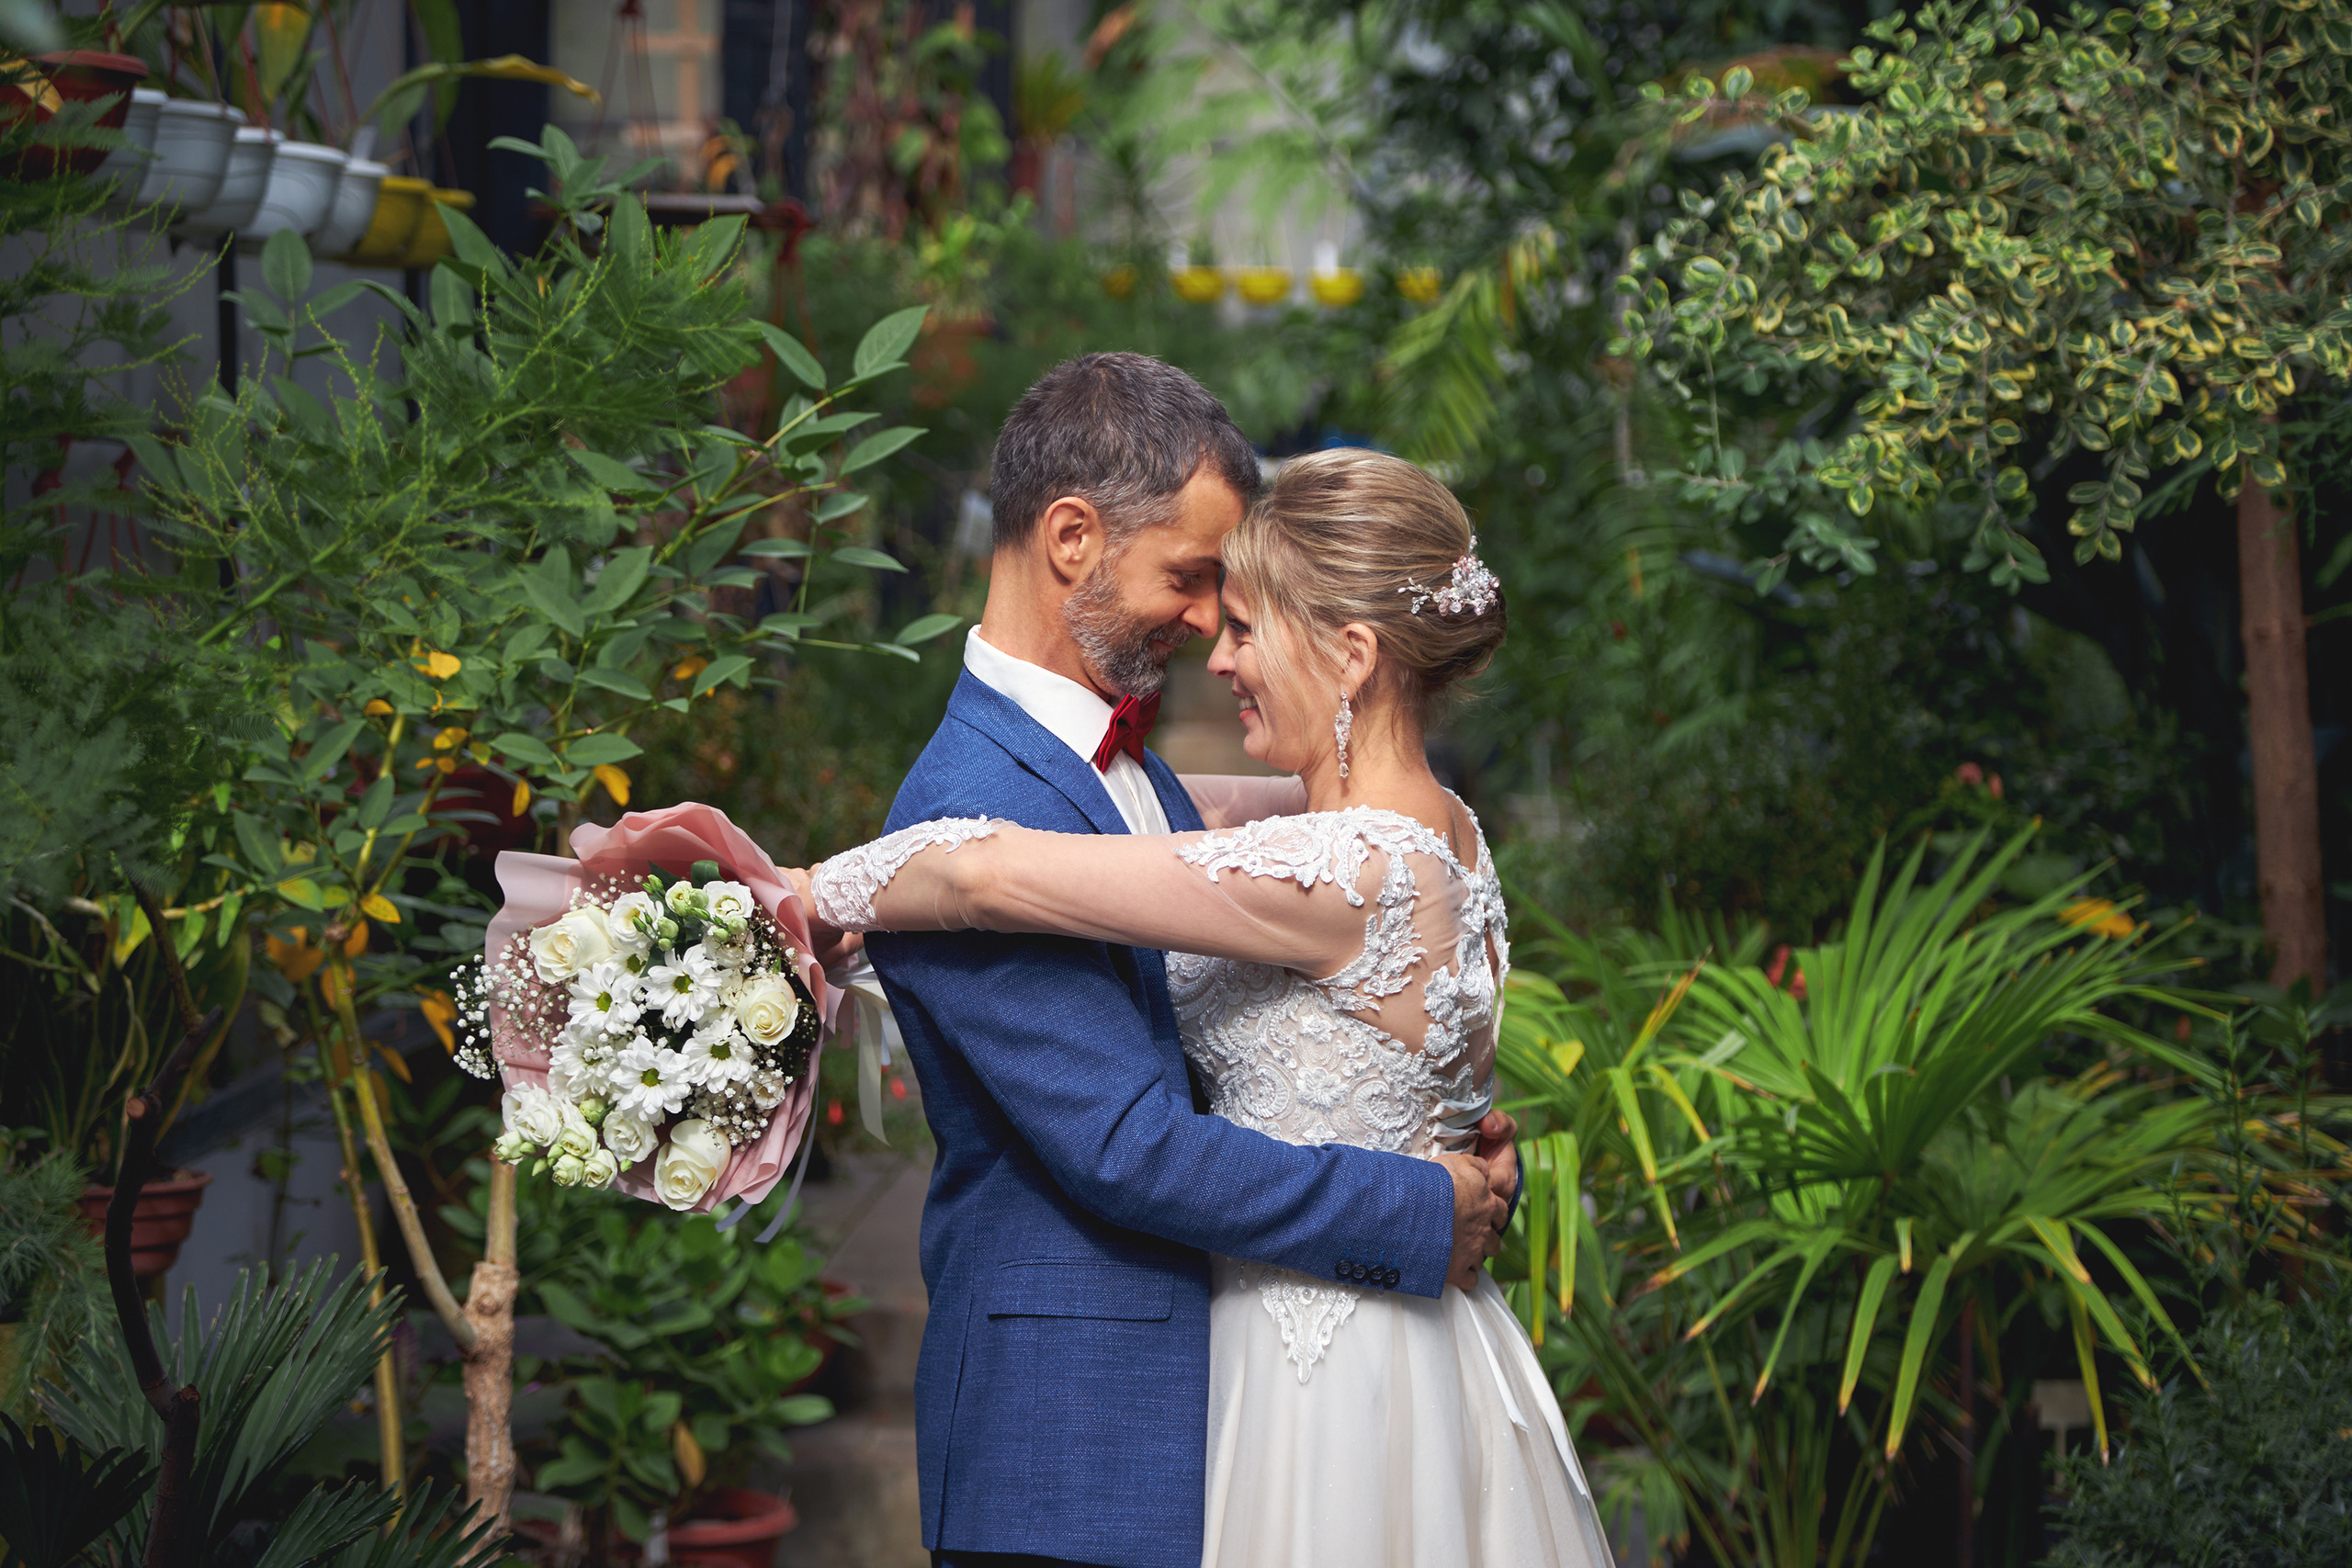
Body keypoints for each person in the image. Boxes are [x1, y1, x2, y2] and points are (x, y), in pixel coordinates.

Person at [799, 434, 1611, 1567]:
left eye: (1242, 625)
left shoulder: (1347, 865)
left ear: (1351, 655)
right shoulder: (1447, 831)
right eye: (1201, 598)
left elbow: (984, 875)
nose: (1215, 654)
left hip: (1322, 1370)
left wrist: (795, 891)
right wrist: (1436, 1187)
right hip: (1389, 1351)